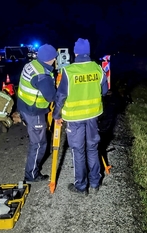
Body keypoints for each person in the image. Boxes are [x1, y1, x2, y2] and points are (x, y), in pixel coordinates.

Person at [53, 38, 108, 195]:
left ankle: (81, 187)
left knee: (78, 151)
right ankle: (95, 183)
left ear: (75, 52)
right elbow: (104, 91)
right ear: (88, 52)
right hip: (93, 116)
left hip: (74, 119)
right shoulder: (98, 69)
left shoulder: (68, 72)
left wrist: (57, 114)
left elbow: (61, 96)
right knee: (92, 148)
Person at [17, 43, 58, 183]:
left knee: (38, 140)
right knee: (39, 143)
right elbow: (52, 97)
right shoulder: (42, 75)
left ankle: (32, 171)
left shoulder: (32, 64)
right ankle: (31, 175)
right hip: (34, 112)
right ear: (51, 59)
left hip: (24, 106)